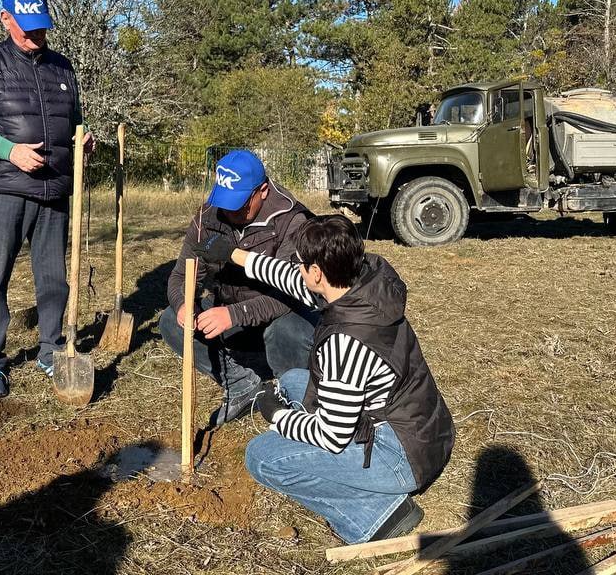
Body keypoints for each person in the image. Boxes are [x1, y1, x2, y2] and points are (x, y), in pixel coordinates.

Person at [194, 215, 455, 544]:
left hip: (402, 456)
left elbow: (332, 437)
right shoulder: (367, 282)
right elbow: (288, 277)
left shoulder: (344, 344)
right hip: (423, 427)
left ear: (317, 273)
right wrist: (233, 254)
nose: (296, 269)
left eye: (301, 264)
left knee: (260, 457)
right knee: (292, 380)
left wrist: (278, 417)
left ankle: (375, 517)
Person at [0, 0, 94, 398]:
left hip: (54, 190)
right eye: (25, 27)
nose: (34, 35)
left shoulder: (63, 68)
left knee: (53, 277)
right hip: (4, 190)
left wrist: (82, 142)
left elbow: (75, 120)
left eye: (41, 27)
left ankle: (51, 349)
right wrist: (9, 151)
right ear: (5, 19)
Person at [159, 150, 315, 425]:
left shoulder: (292, 221)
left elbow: (293, 292)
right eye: (225, 202)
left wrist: (233, 315)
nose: (230, 212)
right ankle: (242, 384)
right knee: (171, 321)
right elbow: (181, 275)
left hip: (283, 312)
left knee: (287, 331)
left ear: (263, 191)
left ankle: (295, 397)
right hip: (231, 310)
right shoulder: (206, 218)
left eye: (240, 203)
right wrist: (184, 304)